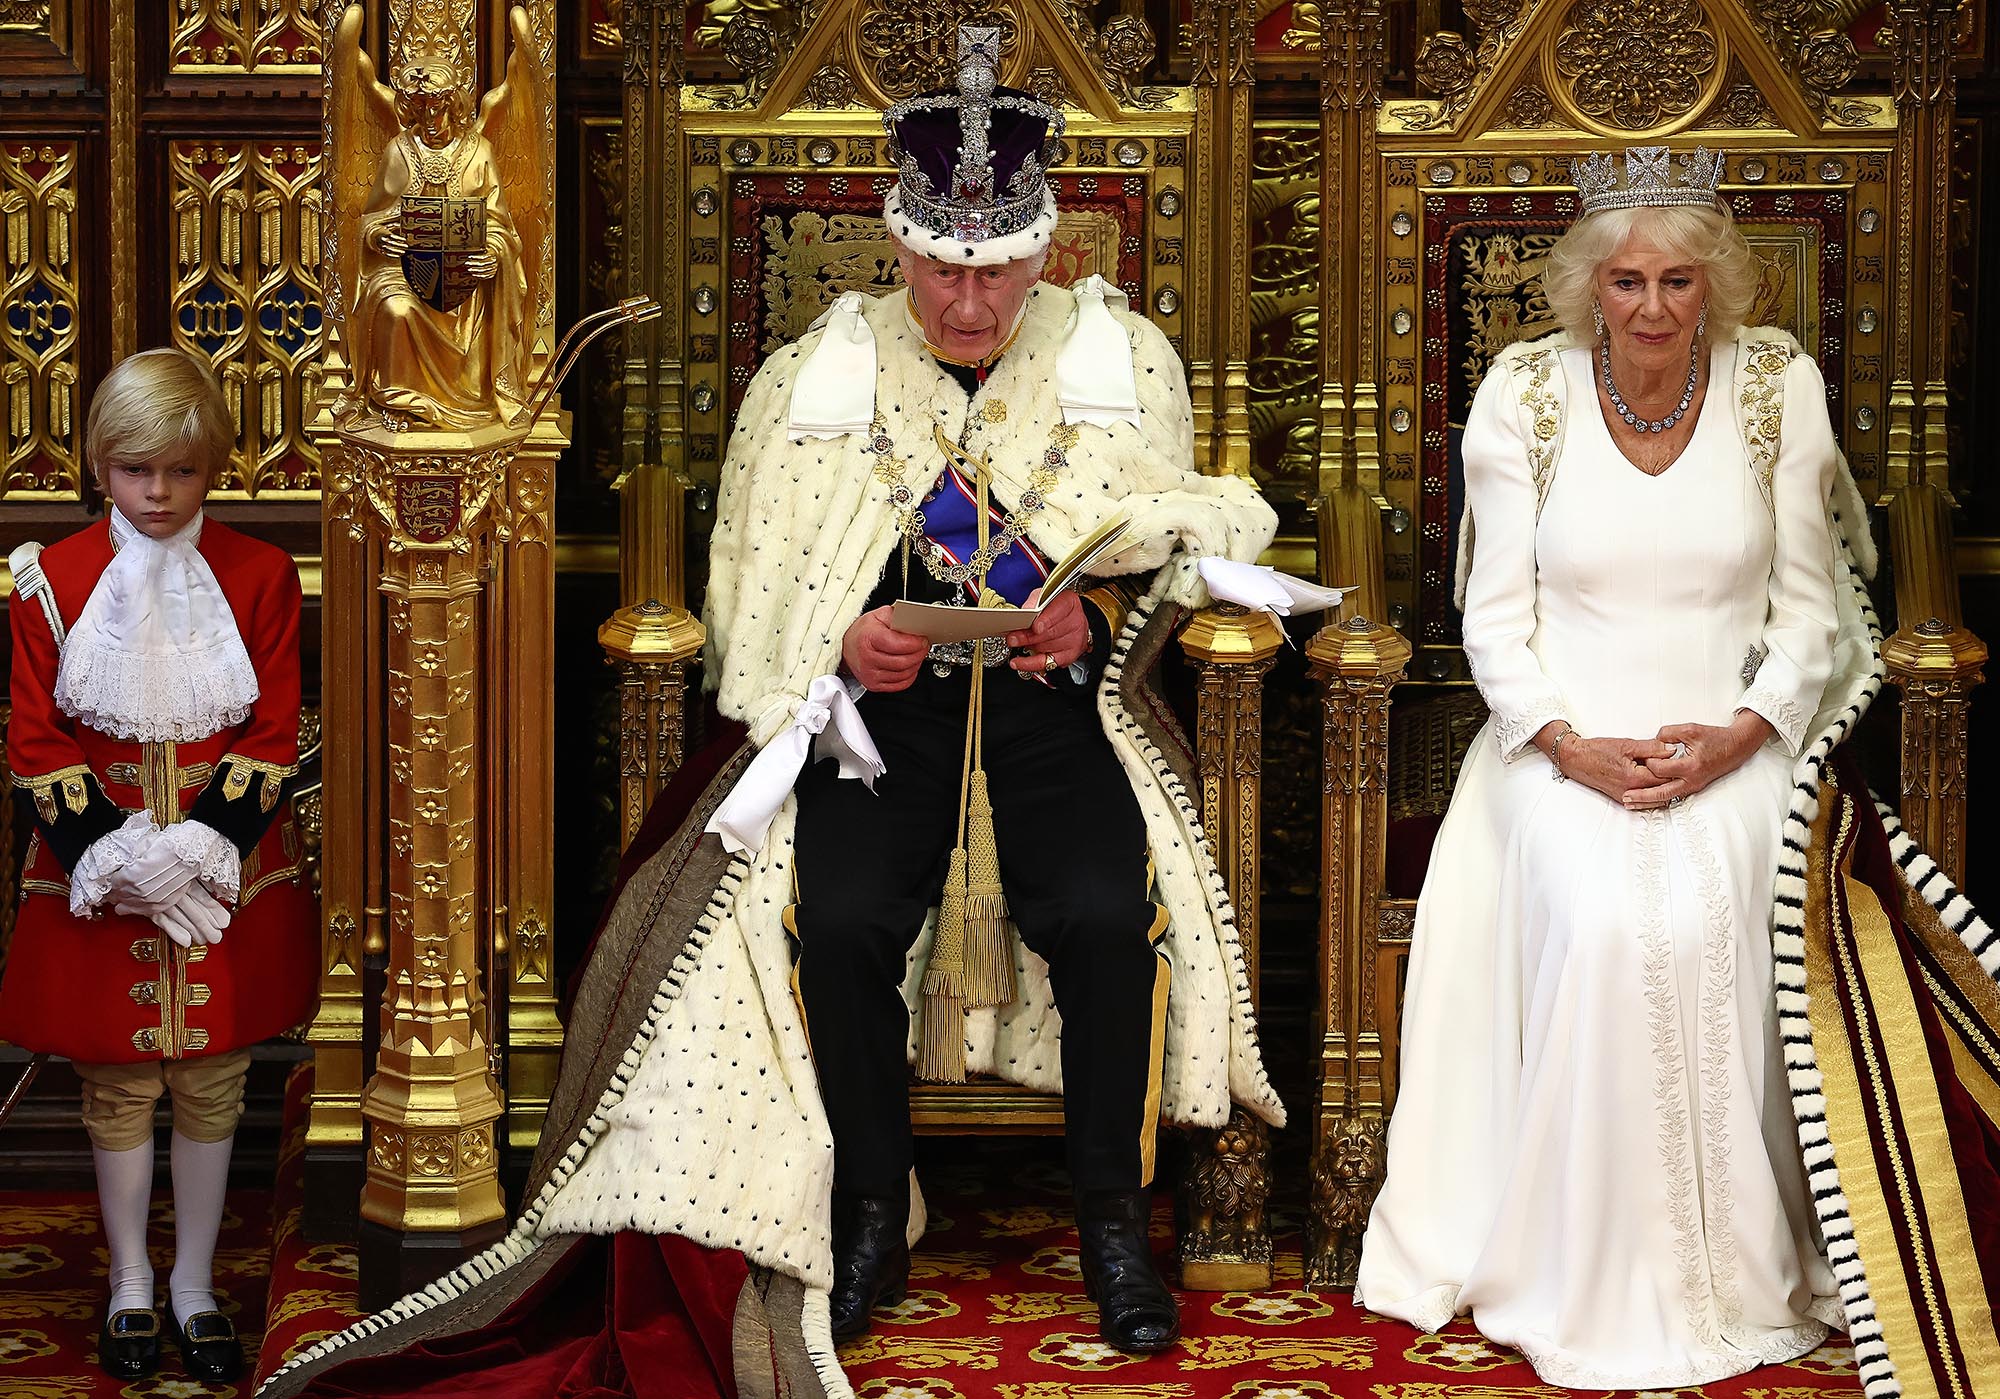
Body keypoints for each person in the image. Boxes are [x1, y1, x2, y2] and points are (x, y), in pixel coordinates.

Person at [257, 27, 1282, 1399]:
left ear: (1043, 254)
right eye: (939, 271)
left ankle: (1113, 1224)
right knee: (842, 918)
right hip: (879, 724)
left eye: (992, 275)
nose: (965, 305)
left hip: (1059, 717)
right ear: (897, 247)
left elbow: (1192, 525)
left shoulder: (1120, 355)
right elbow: (760, 580)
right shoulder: (818, 367)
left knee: (1108, 914)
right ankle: (866, 1209)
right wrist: (847, 644)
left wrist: (1090, 618)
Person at [1354, 147, 1851, 1385]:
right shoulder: (1522, 394)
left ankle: (1732, 1265)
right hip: (1553, 745)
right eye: (1625, 282)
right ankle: (1577, 1264)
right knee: (1604, 921)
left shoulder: (1774, 389)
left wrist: (1739, 730)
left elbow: (1808, 617)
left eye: (1678, 283)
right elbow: (1491, 621)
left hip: (1730, 739)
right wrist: (1567, 745)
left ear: (1715, 287)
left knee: (1711, 911)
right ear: (1588, 286)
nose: (1649, 311)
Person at [3, 348, 318, 1383]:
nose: (158, 493)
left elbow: (274, 726)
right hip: (100, 879)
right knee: (119, 1084)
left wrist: (197, 850)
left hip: (222, 879)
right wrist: (122, 859)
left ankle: (192, 1284)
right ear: (101, 465)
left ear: (212, 469)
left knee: (213, 1080)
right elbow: (37, 739)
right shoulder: (47, 585)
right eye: (138, 471)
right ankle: (131, 1281)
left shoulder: (260, 574)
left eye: (181, 473)